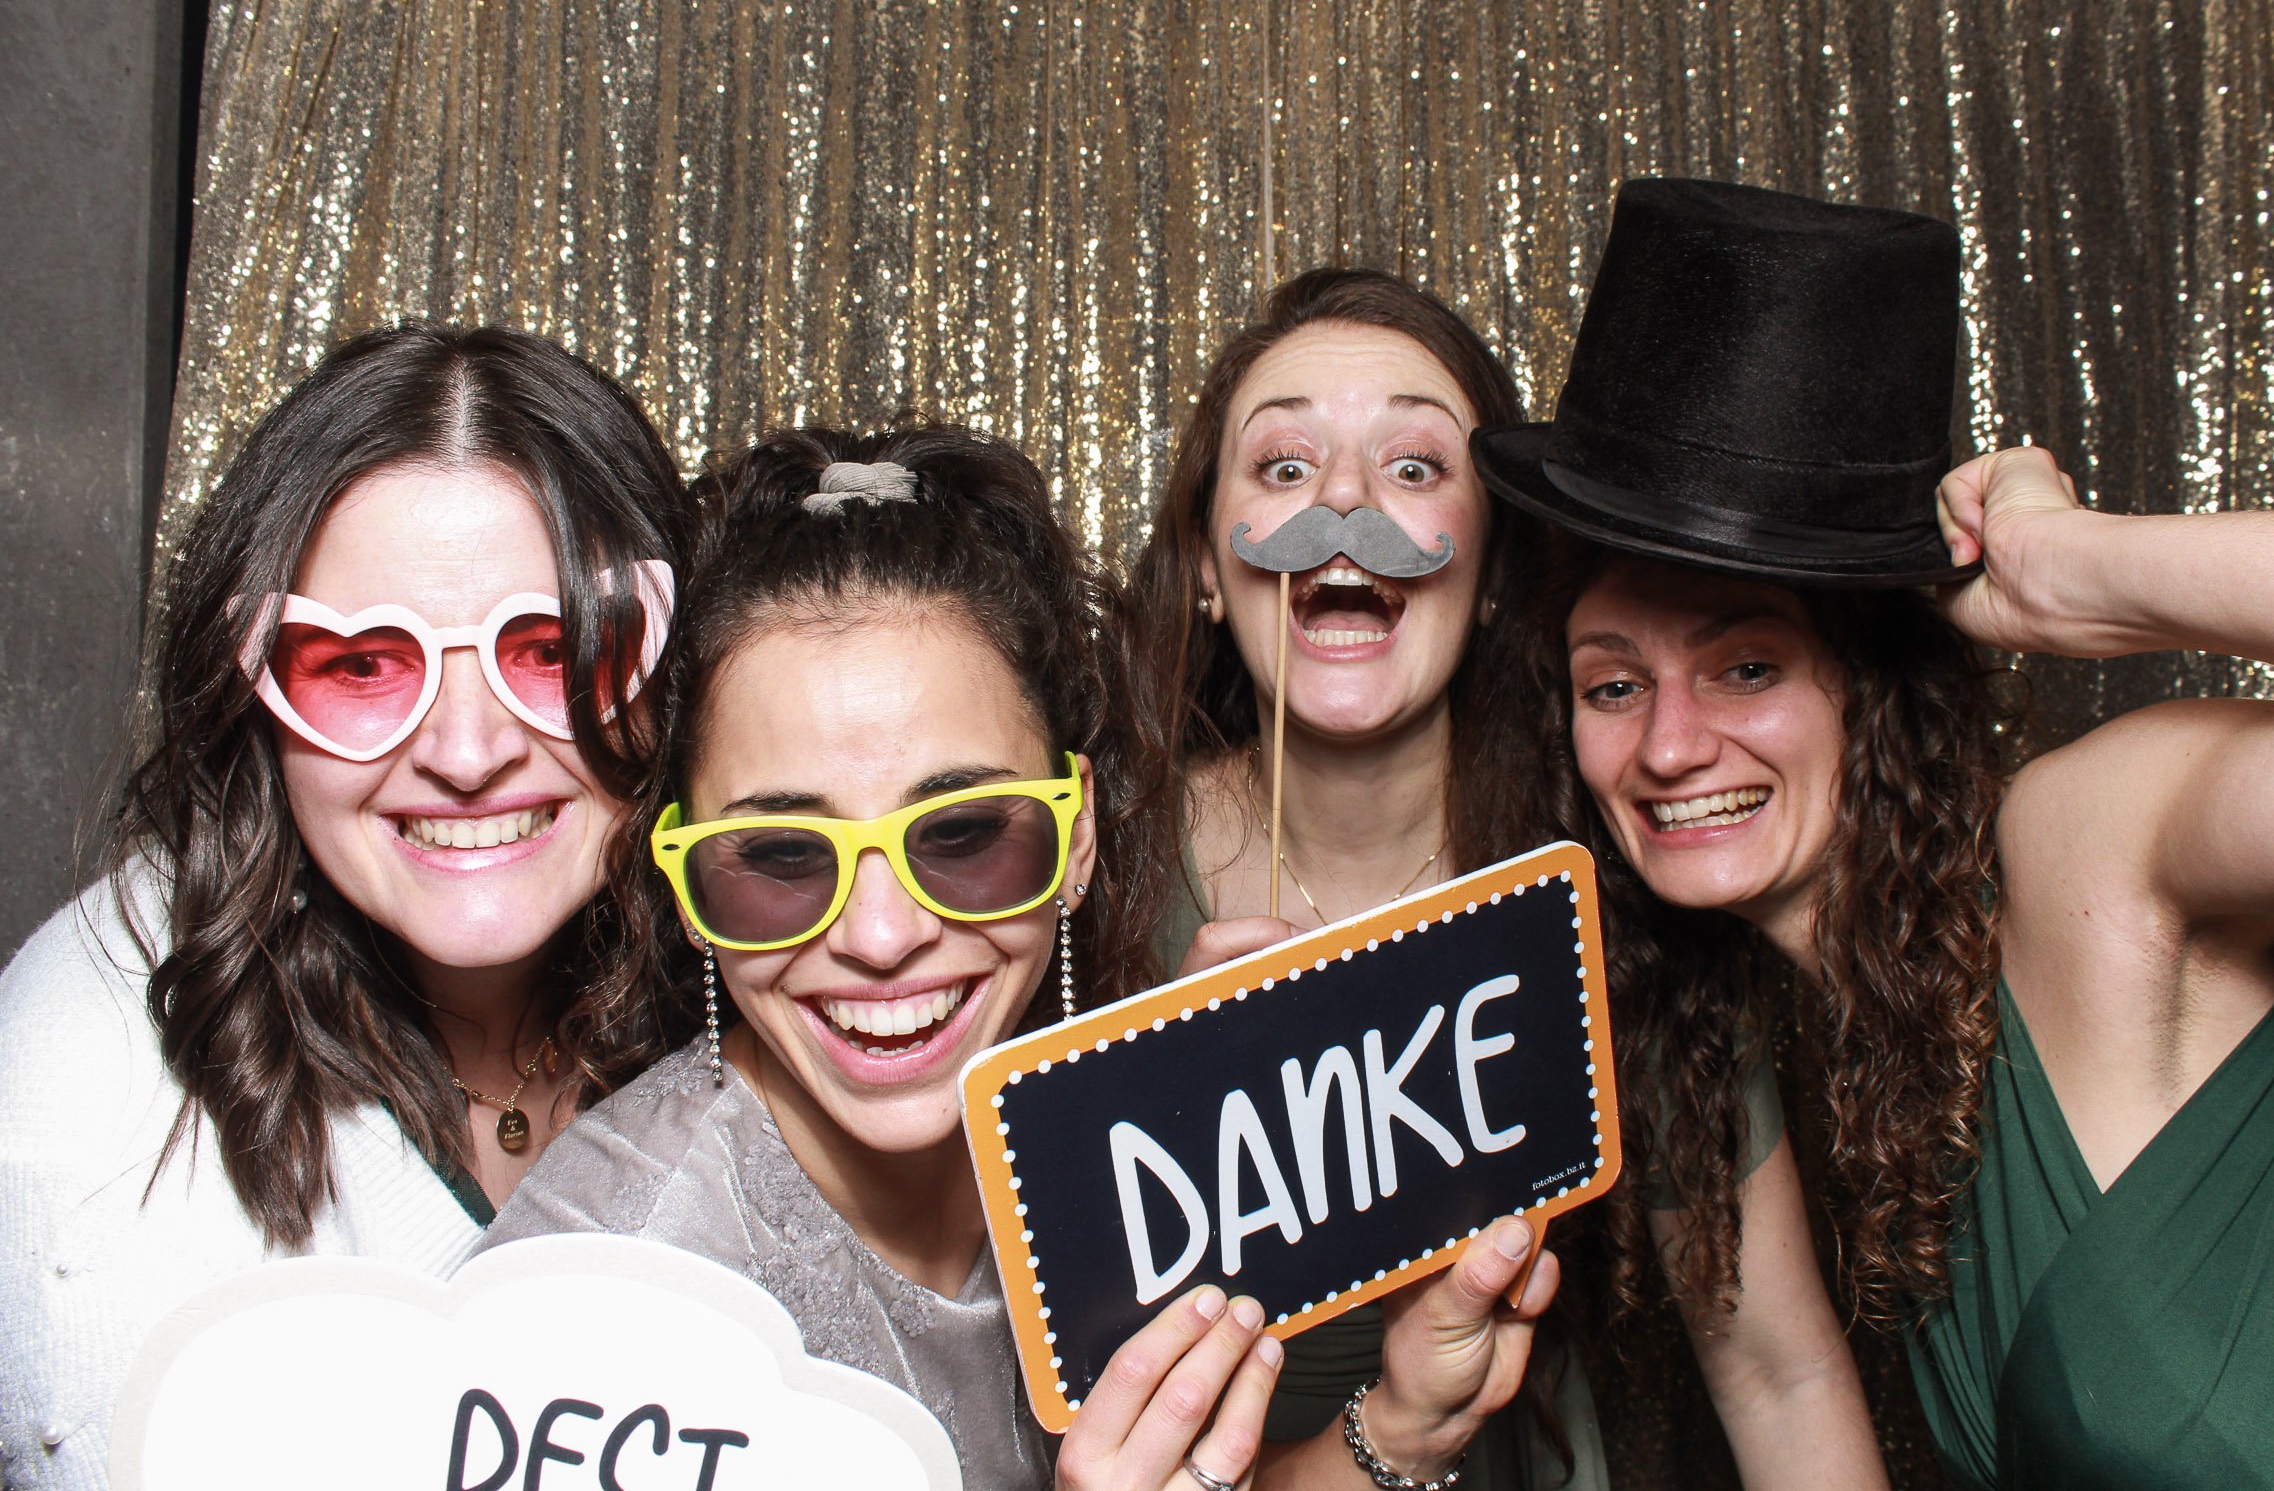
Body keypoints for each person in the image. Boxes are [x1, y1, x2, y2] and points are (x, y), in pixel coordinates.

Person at [1480, 175, 2274, 1488]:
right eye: (1614, 685)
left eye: (1747, 667)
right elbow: (1780, 1381)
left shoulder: (2086, 844)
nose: (1670, 746)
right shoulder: (1776, 1029)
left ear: (1872, 686)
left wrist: (2085, 567)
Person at [483, 425, 1563, 1491]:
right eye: (779, 856)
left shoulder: (1088, 1124)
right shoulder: (607, 1297)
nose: (880, 936)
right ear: (687, 889)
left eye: (963, 835)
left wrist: (1406, 1426)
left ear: (1076, 836)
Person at [1128, 268, 1882, 1487]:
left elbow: (1778, 1375)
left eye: (1413, 466)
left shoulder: (1609, 895)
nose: (1343, 504)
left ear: (1489, 580)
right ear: (1208, 569)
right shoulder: (1087, 879)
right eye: (1284, 466)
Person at [0, 324, 695, 1488]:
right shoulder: (91, 1104)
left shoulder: (752, 960)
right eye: (362, 666)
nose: (467, 753)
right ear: (251, 695)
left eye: (553, 650)